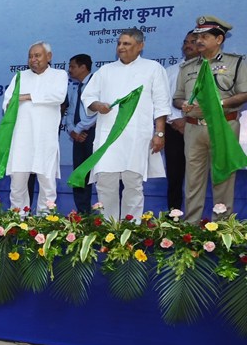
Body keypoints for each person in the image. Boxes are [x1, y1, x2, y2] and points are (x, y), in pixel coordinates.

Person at [81, 28, 171, 222]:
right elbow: (88, 96)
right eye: (119, 43)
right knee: (105, 182)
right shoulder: (106, 70)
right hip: (108, 136)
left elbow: (161, 103)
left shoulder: (153, 68)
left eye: (126, 44)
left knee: (133, 184)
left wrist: (160, 133)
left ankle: (132, 229)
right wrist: (98, 105)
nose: (121, 47)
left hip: (137, 136)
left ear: (140, 46)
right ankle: (109, 229)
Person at [173, 16, 247, 222]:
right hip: (193, 128)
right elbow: (177, 98)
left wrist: (217, 105)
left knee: (222, 178)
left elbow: (244, 93)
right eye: (197, 36)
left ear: (219, 39)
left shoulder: (237, 62)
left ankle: (221, 228)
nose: (198, 40)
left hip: (223, 125)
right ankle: (190, 227)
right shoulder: (187, 67)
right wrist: (184, 105)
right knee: (192, 181)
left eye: (204, 36)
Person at [2, 42, 68, 214]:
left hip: (45, 139)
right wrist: (16, 100)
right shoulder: (19, 77)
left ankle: (44, 224)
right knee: (17, 184)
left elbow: (58, 96)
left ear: (49, 56)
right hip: (21, 138)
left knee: (47, 184)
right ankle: (18, 221)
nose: (33, 59)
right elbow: (7, 103)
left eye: (37, 55)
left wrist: (25, 97)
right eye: (30, 56)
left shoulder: (59, 75)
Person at [164, 32, 198, 211]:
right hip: (174, 129)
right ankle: (174, 217)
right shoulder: (170, 71)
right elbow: (163, 100)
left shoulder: (209, 69)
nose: (188, 45)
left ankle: (197, 218)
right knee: (175, 176)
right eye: (185, 42)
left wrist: (189, 120)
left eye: (193, 42)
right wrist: (177, 120)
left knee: (197, 176)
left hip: (200, 127)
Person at [63, 54, 97, 214]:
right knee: (79, 174)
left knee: (96, 174)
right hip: (78, 136)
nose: (69, 70)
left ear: (83, 67)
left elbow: (96, 113)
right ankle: (82, 212)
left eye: (72, 67)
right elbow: (70, 112)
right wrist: (72, 130)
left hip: (92, 135)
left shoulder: (96, 84)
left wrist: (79, 129)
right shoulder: (75, 87)